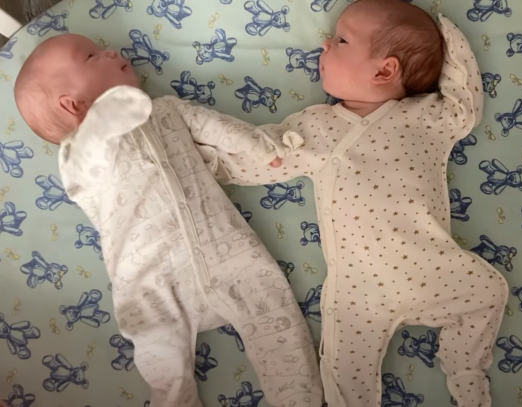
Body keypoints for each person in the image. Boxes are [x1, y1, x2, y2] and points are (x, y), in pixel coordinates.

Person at [191, 0, 507, 406]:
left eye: (340, 39)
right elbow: (259, 156)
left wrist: (445, 32)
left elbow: (465, 100)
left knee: (488, 292)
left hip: (433, 264)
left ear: (385, 70)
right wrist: (197, 159)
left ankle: (466, 371)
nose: (324, 42)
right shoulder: (317, 126)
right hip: (361, 287)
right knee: (345, 376)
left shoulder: (428, 117)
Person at [14, 34, 322, 407]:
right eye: (92, 56)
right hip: (151, 280)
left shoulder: (166, 109)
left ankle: (299, 399)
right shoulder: (77, 157)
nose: (111, 50)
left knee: (277, 320)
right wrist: (103, 117)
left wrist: (257, 145)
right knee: (163, 365)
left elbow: (214, 125)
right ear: (72, 104)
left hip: (229, 252)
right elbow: (91, 156)